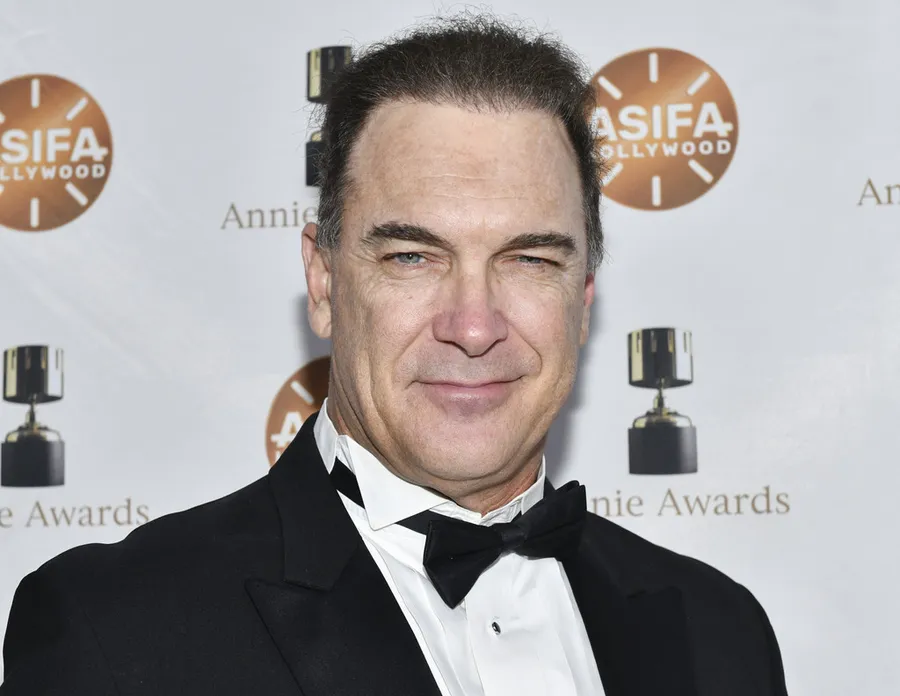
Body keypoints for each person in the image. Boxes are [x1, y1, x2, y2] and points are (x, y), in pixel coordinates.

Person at [1, 14, 788, 696]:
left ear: (583, 301)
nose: (473, 326)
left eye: (529, 259)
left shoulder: (720, 632)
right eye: (412, 256)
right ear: (323, 284)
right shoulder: (116, 631)